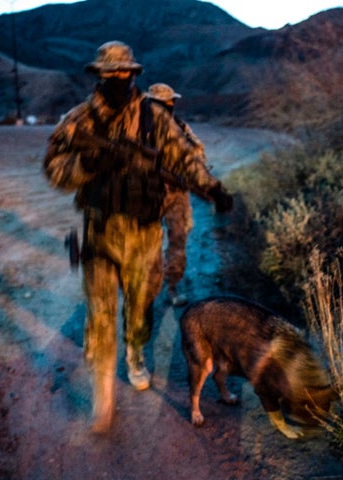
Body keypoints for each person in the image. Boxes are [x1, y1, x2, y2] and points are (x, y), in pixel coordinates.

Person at [43, 41, 233, 433]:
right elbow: (55, 169)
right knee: (99, 311)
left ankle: (135, 353)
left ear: (134, 74)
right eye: (110, 75)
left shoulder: (153, 118)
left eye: (124, 74)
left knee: (141, 306)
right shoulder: (80, 120)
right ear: (98, 75)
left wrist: (212, 188)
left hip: (145, 233)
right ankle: (102, 397)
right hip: (100, 229)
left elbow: (184, 157)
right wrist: (89, 161)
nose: (117, 80)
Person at [146, 82, 201, 306]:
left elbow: (198, 154)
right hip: (147, 194)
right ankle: (153, 289)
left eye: (170, 103)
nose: (170, 106)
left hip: (176, 195)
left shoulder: (180, 127)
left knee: (177, 240)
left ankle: (172, 286)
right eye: (168, 102)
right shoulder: (136, 130)